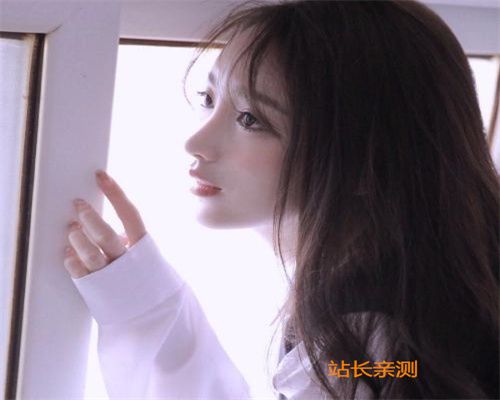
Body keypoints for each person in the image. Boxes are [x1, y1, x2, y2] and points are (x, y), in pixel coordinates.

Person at [62, 0, 500, 398]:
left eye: (250, 119)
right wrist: (144, 304)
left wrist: (147, 311)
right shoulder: (418, 298)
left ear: (370, 161)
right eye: (208, 98)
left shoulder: (369, 343)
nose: (196, 142)